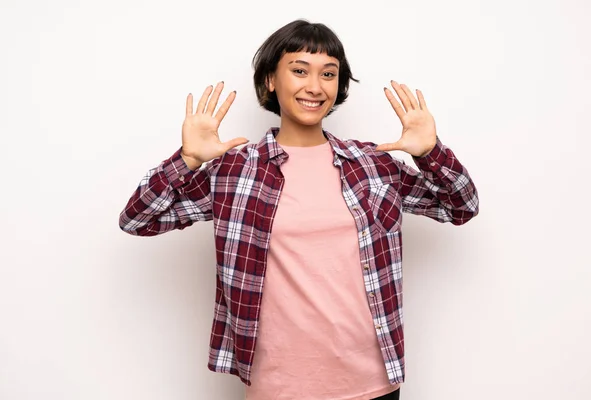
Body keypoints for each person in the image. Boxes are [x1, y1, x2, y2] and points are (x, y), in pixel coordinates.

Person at [119, 19, 479, 400]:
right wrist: (187, 160)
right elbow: (138, 219)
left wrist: (430, 153)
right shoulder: (237, 170)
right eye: (299, 70)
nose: (314, 86)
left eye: (328, 73)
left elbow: (461, 206)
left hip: (372, 380)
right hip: (279, 385)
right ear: (271, 79)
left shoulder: (373, 164)